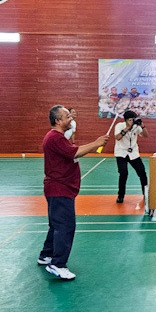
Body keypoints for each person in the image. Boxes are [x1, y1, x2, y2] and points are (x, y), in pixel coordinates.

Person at [38, 105, 108, 280]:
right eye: (67, 116)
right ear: (58, 121)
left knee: (56, 224)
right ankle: (57, 264)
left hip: (59, 188)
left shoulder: (60, 137)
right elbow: (75, 152)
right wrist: (96, 143)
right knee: (65, 226)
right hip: (59, 189)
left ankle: (46, 255)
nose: (71, 119)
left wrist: (93, 146)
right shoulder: (55, 138)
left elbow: (74, 153)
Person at [113, 110, 148, 203]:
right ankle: (120, 196)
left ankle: (146, 195)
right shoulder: (119, 126)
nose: (132, 122)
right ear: (125, 120)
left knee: (142, 173)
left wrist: (142, 126)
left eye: (133, 120)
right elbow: (117, 137)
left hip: (133, 153)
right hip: (121, 152)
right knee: (123, 173)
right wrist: (127, 128)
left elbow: (146, 135)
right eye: (130, 120)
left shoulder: (137, 126)